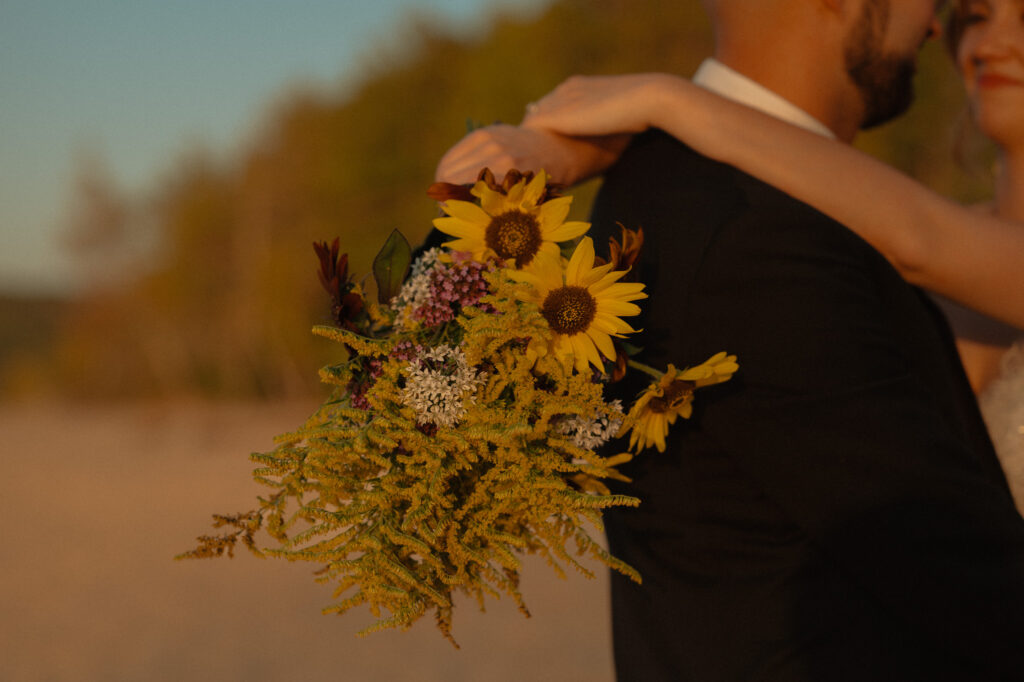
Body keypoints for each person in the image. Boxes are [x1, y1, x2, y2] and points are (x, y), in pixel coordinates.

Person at [434, 0, 1024, 679]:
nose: (942, 27)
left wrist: (662, 103)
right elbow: (967, 575)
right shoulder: (761, 234)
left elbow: (922, 240)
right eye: (968, 12)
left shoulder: (677, 197)